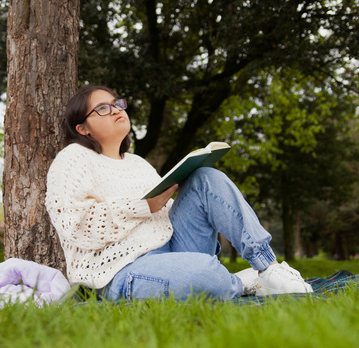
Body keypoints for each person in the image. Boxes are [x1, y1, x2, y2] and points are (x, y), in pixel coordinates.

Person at [45, 85, 313, 302]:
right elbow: (74, 225)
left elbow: (162, 213)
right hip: (120, 271)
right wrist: (143, 206)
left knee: (205, 178)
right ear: (83, 128)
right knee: (208, 275)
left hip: (174, 247)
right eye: (103, 108)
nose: (116, 109)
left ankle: (268, 267)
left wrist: (178, 197)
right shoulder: (73, 159)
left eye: (118, 104)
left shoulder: (138, 163)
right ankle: (241, 282)